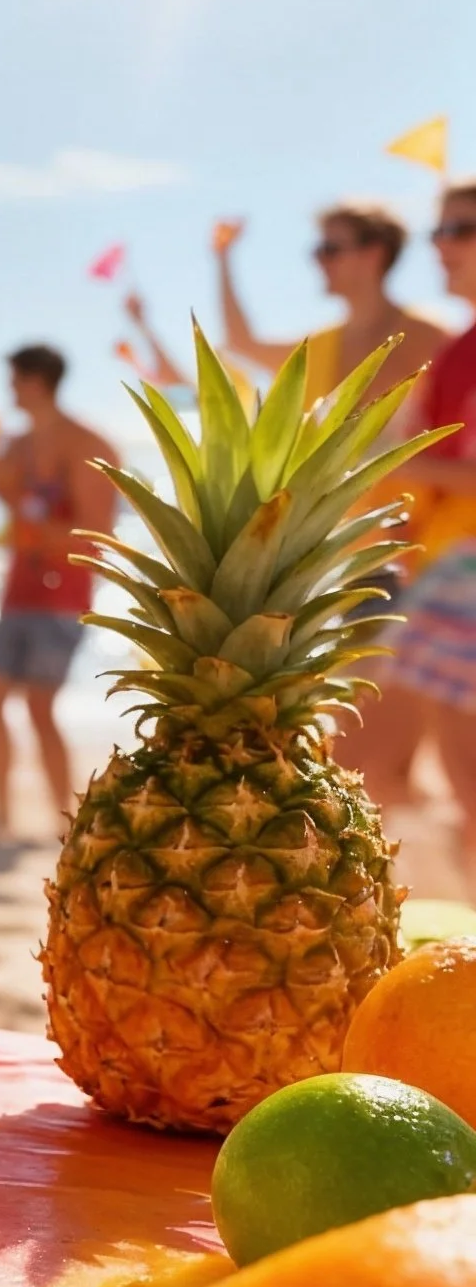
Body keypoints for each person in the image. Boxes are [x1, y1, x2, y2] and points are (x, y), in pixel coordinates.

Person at [0, 319, 118, 834]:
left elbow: (97, 532)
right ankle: (1, 812)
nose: (9, 391)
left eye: (15, 381)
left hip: (63, 596)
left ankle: (62, 819)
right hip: (17, 592)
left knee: (40, 708)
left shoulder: (88, 442)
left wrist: (37, 530)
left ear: (35, 381)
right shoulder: (17, 445)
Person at [347, 181, 476, 849]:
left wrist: (395, 459)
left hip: (465, 568)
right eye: (440, 231)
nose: (442, 246)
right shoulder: (458, 349)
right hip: (435, 566)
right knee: (371, 767)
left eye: (461, 230)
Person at [214, 205, 446, 407]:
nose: (319, 261)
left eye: (330, 250)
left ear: (374, 253)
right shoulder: (319, 346)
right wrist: (223, 258)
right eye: (317, 251)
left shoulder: (429, 337)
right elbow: (241, 342)